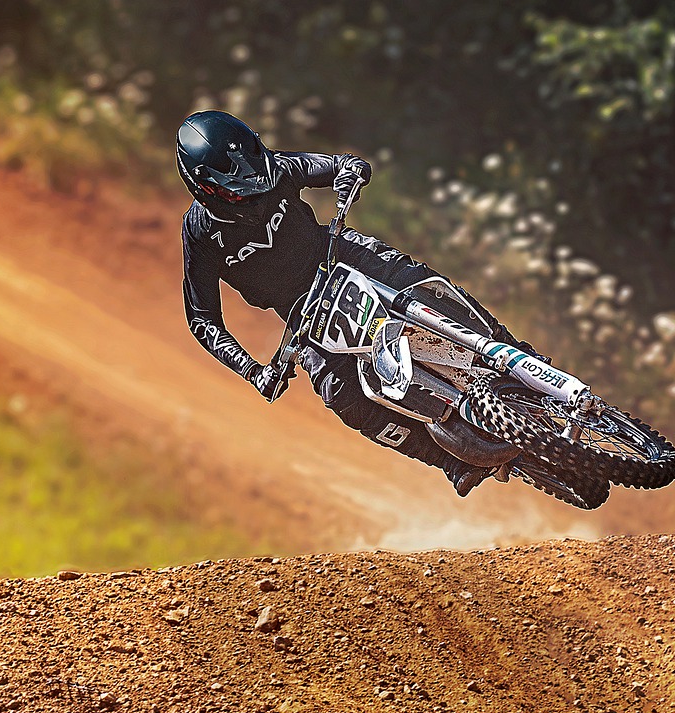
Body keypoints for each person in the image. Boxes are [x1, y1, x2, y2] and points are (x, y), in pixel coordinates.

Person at [176, 109, 524, 496]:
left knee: (426, 288)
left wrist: (349, 175)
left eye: (259, 169)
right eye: (239, 188)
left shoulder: (277, 168)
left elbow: (344, 164)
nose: (258, 187)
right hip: (302, 318)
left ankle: (514, 352)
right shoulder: (200, 236)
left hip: (343, 256)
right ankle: (451, 462)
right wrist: (253, 370)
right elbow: (202, 319)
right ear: (205, 189)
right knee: (342, 396)